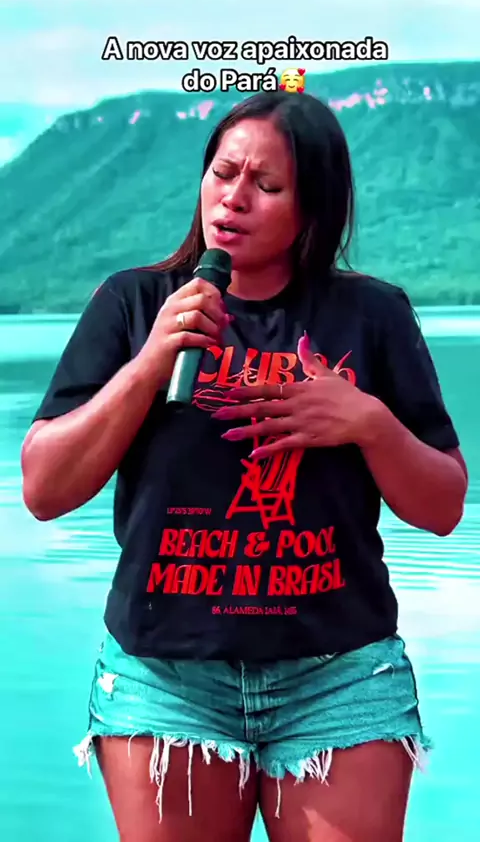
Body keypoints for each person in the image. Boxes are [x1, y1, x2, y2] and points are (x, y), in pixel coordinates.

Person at [21, 90, 468, 842]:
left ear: (312, 208)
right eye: (224, 173)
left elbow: (444, 507)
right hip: (166, 679)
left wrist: (369, 423)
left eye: (268, 185)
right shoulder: (135, 303)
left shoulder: (373, 315)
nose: (234, 198)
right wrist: (150, 362)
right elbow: (43, 489)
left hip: (340, 675)